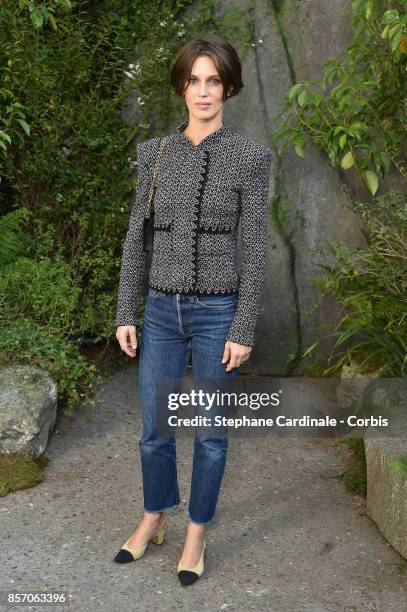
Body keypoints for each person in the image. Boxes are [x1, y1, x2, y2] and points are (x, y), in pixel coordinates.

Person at [114, 34, 272, 585]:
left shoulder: (251, 157)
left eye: (213, 80)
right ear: (182, 85)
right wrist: (124, 312)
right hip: (159, 311)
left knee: (209, 433)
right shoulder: (154, 154)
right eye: (193, 80)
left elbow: (253, 243)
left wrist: (242, 323)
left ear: (227, 86)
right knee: (154, 430)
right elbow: (138, 238)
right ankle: (154, 515)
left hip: (217, 314)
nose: (202, 91)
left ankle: (196, 533)